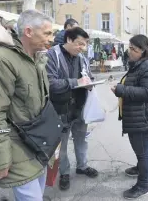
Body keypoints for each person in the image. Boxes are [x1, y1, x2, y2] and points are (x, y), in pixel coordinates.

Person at [0, 10, 53, 201]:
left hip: (38, 145)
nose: (52, 39)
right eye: (47, 33)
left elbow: (40, 103)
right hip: (16, 148)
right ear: (28, 31)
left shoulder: (36, 57)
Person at [111, 35, 148, 199]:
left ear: (143, 50)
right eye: (130, 48)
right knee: (141, 149)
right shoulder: (140, 64)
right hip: (140, 115)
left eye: (133, 49)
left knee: (143, 152)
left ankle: (143, 185)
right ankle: (140, 168)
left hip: (144, 118)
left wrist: (121, 90)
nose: (130, 52)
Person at [45, 27, 98, 191]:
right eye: (79, 44)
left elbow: (87, 76)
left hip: (80, 108)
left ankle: (82, 166)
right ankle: (65, 173)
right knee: (61, 145)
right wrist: (76, 82)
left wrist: (90, 83)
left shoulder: (82, 58)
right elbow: (51, 84)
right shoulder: (52, 56)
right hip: (60, 109)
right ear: (68, 39)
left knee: (82, 139)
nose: (82, 48)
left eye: (85, 45)